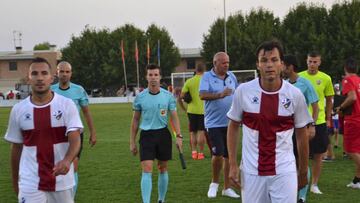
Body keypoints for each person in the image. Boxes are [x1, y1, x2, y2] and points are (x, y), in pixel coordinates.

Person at [227, 40, 312, 203]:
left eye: (274, 60)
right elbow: (233, 126)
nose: (269, 65)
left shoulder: (295, 95)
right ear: (258, 64)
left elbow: (302, 135)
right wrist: (232, 164)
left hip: (284, 171)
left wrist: (302, 171)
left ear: (282, 64)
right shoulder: (243, 91)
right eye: (264, 60)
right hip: (252, 173)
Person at [4, 57, 83, 203]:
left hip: (61, 181)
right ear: (28, 78)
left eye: (44, 73)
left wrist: (67, 160)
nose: (39, 78)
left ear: (51, 78)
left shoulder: (67, 105)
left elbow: (75, 137)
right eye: (34, 73)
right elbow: (16, 148)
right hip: (30, 181)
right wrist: (16, 182)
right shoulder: (18, 110)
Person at [130, 64, 183, 203]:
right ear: (146, 77)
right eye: (150, 75)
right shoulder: (140, 97)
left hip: (163, 135)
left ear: (160, 77)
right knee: (147, 169)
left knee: (162, 168)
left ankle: (161, 199)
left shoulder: (168, 96)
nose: (153, 78)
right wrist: (132, 141)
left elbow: (174, 117)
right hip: (146, 135)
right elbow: (135, 120)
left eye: (155, 75)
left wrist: (179, 136)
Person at [51, 61, 97, 197]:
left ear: (71, 73)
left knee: (73, 166)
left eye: (67, 72)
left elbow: (86, 112)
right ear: (56, 73)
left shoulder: (79, 90)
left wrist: (93, 132)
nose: (64, 74)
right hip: (55, 134)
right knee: (55, 165)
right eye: (61, 71)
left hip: (74, 134)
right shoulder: (50, 90)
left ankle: (71, 198)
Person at [199, 52, 240, 198]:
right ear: (215, 63)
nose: (226, 65)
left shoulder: (232, 76)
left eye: (228, 62)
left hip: (231, 122)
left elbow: (237, 94)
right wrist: (220, 95)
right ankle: (214, 183)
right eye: (223, 63)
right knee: (218, 154)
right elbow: (202, 95)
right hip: (213, 123)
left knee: (229, 156)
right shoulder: (207, 77)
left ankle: (226, 188)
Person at [283, 54, 319, 203]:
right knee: (288, 161)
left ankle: (302, 196)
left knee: (301, 160)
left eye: (283, 65)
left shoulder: (305, 84)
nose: (281, 67)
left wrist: (312, 125)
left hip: (301, 129)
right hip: (285, 130)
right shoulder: (283, 84)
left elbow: (315, 107)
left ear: (290, 67)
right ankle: (290, 191)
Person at [299, 52, 334, 194]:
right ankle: (300, 181)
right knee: (300, 154)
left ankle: (314, 184)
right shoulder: (299, 77)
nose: (312, 64)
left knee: (319, 154)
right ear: (306, 61)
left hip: (318, 121)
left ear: (319, 62)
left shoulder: (326, 78)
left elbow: (330, 99)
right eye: (310, 61)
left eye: (315, 62)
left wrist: (328, 118)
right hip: (301, 122)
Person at [336, 57, 360, 189]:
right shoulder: (359, 80)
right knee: (357, 150)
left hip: (353, 119)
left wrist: (341, 108)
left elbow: (352, 97)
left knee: (350, 150)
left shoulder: (347, 80)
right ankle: (357, 181)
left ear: (345, 68)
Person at [178, 63, 206, 160]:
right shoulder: (206, 81)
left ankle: (194, 152)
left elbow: (180, 97)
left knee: (193, 132)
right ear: (204, 70)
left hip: (191, 111)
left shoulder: (189, 81)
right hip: (203, 111)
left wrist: (184, 109)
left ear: (196, 70)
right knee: (201, 132)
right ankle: (201, 153)